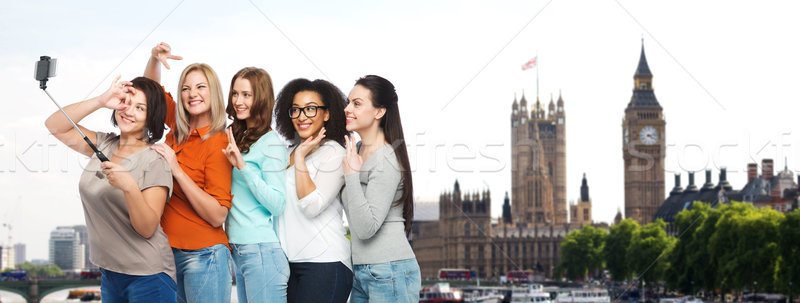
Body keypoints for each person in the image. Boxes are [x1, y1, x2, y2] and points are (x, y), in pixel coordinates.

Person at [45, 76, 176, 302]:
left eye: (140, 108)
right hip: (110, 274)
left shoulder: (155, 160)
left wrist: (130, 187)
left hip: (148, 277)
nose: (129, 111)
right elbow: (55, 126)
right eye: (125, 102)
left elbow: (146, 228)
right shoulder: (104, 144)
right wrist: (101, 100)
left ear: (151, 116)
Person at [145, 42, 233, 303]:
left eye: (200, 87)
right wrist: (154, 60)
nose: (192, 94)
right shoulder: (177, 128)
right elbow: (151, 93)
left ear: (213, 92)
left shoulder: (219, 142)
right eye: (185, 88)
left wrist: (176, 170)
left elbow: (218, 215)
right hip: (166, 254)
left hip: (204, 254)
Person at [341, 75, 420, 303]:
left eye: (357, 103)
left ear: (379, 112)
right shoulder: (354, 151)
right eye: (348, 102)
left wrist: (352, 176)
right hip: (362, 271)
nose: (347, 109)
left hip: (390, 270)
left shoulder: (386, 159)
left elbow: (367, 227)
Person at [274, 78, 352, 303]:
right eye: (296, 110)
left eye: (310, 109)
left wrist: (299, 158)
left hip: (326, 262)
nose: (302, 116)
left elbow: (312, 205)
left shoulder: (334, 153)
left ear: (326, 114)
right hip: (290, 263)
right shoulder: (285, 152)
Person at [221, 67, 289, 303]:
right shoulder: (237, 137)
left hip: (260, 251)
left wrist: (243, 167)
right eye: (235, 94)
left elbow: (278, 203)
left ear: (260, 98)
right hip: (239, 250)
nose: (238, 101)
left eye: (246, 95)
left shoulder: (271, 144)